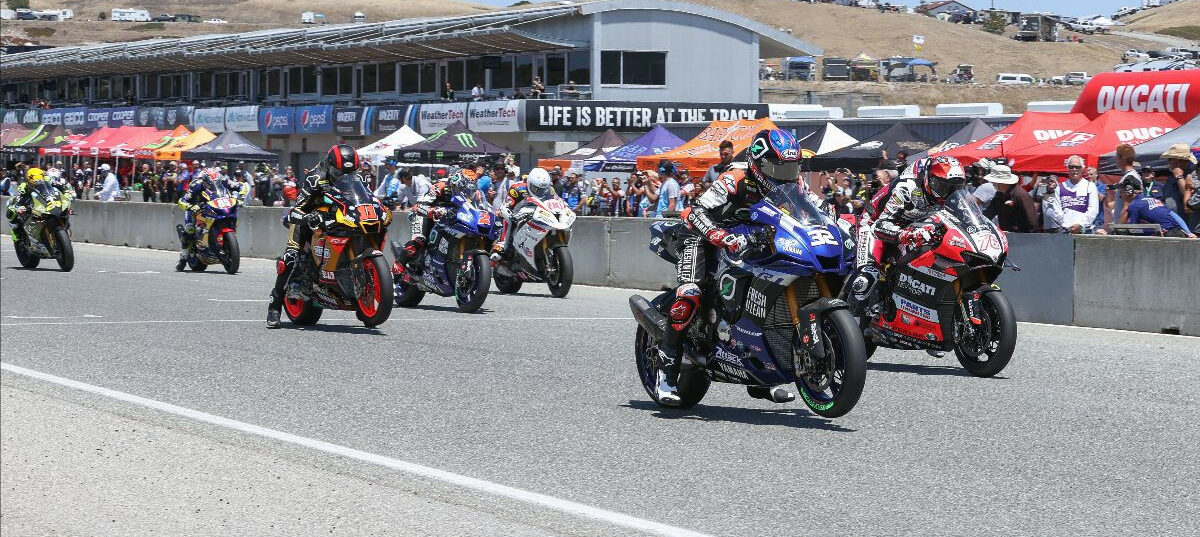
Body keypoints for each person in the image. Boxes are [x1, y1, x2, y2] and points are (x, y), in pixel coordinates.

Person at [654, 128, 805, 405]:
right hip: (702, 238)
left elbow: (811, 208)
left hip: (752, 242)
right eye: (777, 168)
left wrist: (838, 221)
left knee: (773, 297)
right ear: (758, 164)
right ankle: (666, 374)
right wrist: (721, 237)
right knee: (688, 294)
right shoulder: (735, 178)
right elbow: (694, 212)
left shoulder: (794, 183)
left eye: (791, 167)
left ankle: (764, 376)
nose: (785, 175)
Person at [851, 156, 967, 322]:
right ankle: (850, 326)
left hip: (911, 227)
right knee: (866, 278)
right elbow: (879, 225)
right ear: (929, 179)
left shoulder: (950, 196)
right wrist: (906, 235)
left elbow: (965, 217)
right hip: (874, 224)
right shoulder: (907, 187)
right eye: (943, 186)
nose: (948, 193)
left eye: (955, 188)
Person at [266, 145, 362, 328]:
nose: (344, 177)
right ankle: (274, 307)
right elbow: (295, 211)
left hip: (337, 218)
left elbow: (364, 198)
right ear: (330, 166)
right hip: (308, 220)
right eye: (339, 172)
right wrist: (308, 217)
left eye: (350, 172)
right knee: (290, 258)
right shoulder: (315, 178)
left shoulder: (355, 178)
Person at [392, 169, 479, 279]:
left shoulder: (473, 193)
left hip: (451, 217)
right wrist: (431, 211)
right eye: (462, 189)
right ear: (455, 184)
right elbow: (419, 205)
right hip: (427, 214)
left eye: (468, 189)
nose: (465, 192)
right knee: (419, 240)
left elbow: (479, 208)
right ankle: (399, 265)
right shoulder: (440, 187)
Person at [175, 166, 248, 271]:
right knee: (189, 229)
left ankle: (222, 247)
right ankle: (183, 259)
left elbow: (243, 186)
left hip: (217, 207)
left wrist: (240, 198)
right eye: (210, 182)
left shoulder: (224, 181)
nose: (214, 184)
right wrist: (191, 206)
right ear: (204, 181)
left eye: (216, 182)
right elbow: (182, 201)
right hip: (196, 210)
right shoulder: (196, 185)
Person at [491, 168, 556, 261]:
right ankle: (503, 244)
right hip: (519, 214)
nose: (540, 192)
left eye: (543, 189)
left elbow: (556, 202)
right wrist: (507, 212)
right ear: (529, 183)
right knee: (508, 220)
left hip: (541, 215)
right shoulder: (517, 188)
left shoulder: (550, 190)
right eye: (536, 189)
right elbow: (506, 205)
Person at [6, 167, 73, 244]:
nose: (37, 184)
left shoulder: (49, 180)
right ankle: (15, 231)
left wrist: (69, 192)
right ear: (28, 181)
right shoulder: (23, 187)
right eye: (33, 184)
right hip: (30, 204)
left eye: (41, 181)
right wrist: (19, 207)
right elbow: (19, 201)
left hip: (46, 202)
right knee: (11, 210)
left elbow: (64, 185)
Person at [1119, 176, 1195, 238]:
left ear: (1128, 191)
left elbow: (1134, 230)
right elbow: (1174, 215)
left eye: (1121, 193)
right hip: (1179, 232)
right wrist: (1189, 233)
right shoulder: (1154, 200)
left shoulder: (1134, 205)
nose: (1120, 196)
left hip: (1167, 235)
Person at [1043, 155, 1099, 234]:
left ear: (1082, 168)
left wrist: (1080, 225)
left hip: (1085, 230)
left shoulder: (1090, 186)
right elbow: (1057, 210)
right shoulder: (1060, 187)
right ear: (1067, 168)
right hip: (1066, 231)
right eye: (1071, 167)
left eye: (1077, 167)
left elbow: (1093, 210)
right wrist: (1067, 225)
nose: (1074, 170)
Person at [981, 164, 1038, 232]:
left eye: (993, 181)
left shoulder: (1020, 195)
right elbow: (989, 213)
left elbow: (1032, 222)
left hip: (1020, 237)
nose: (992, 183)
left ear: (1001, 182)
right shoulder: (999, 195)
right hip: (1006, 236)